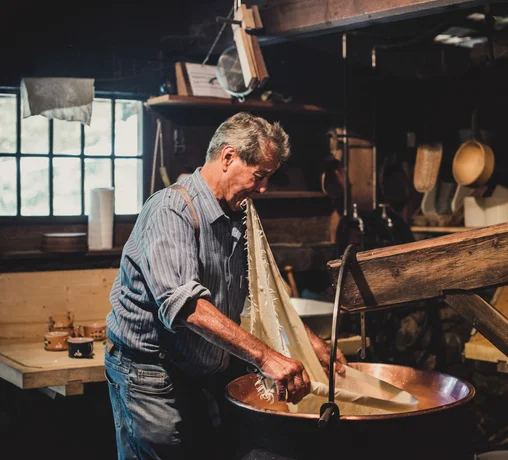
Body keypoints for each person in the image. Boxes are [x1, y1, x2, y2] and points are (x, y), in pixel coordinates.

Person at [104, 112, 348, 460]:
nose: (262, 188)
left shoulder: (239, 215)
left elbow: (257, 293)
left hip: (200, 372)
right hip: (150, 375)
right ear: (228, 157)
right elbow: (185, 307)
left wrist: (310, 343)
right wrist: (266, 357)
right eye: (259, 176)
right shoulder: (172, 209)